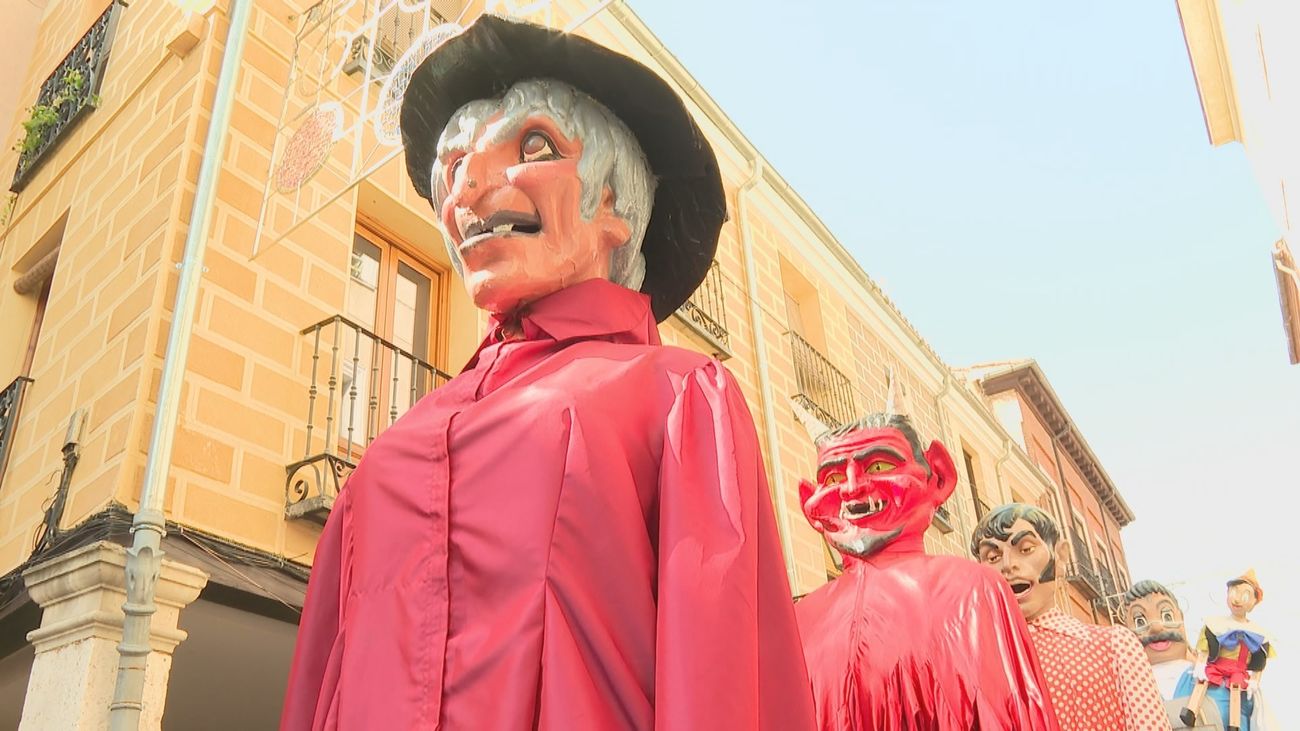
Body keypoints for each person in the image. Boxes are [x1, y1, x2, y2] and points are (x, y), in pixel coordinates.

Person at [280, 14, 815, 730]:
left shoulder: (678, 397)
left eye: (533, 146)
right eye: (453, 167)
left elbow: (720, 685)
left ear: (613, 204)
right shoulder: (393, 453)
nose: (467, 187)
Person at [795, 413, 1059, 730]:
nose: (852, 488)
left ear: (938, 477)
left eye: (879, 466)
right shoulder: (799, 620)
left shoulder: (973, 590)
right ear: (809, 502)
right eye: (833, 478)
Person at [972, 503, 1170, 731]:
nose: (1008, 565)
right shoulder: (978, 660)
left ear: (1060, 555)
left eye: (1026, 549)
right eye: (993, 557)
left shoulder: (1114, 645)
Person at [1180, 571, 1276, 731]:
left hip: (1238, 669)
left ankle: (1234, 724)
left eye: (1245, 595)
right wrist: (1200, 665)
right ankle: (1191, 711)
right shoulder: (1215, 624)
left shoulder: (1258, 633)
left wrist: (1254, 681)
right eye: (1233, 592)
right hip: (1217, 665)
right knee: (1202, 681)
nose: (1237, 599)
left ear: (1254, 602)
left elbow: (1260, 659)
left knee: (1236, 690)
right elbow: (1205, 646)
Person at [1125, 580, 1223, 729]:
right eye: (1140, 621)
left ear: (1181, 618)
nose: (1156, 627)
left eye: (1167, 616)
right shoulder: (1128, 691)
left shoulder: (1211, 678)